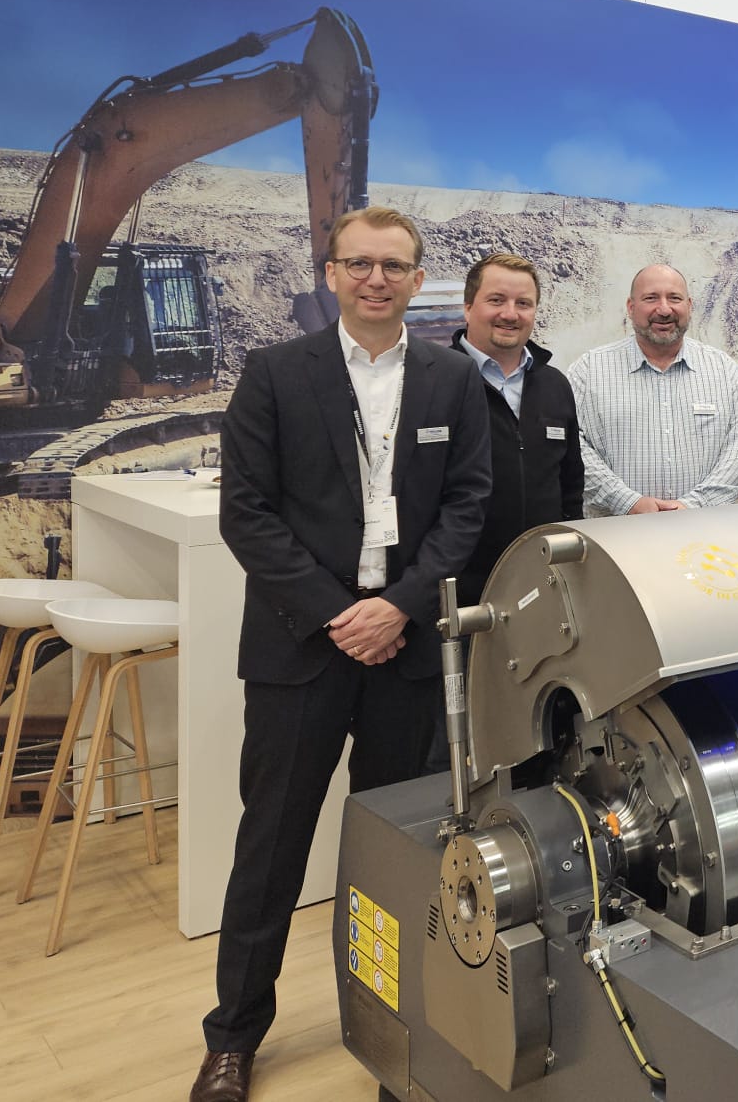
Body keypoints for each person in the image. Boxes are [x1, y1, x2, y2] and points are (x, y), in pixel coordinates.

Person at [193, 207, 490, 1102]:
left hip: (403, 654)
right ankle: (233, 1038)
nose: (375, 280)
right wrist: (339, 614)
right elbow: (246, 514)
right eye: (358, 264)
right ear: (330, 273)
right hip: (301, 653)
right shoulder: (276, 374)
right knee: (272, 849)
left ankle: (390, 1031)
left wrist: (395, 608)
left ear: (417, 279)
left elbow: (466, 509)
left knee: (391, 855)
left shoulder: (449, 378)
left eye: (394, 266)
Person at [566, 264, 738, 513]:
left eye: (674, 298)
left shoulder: (726, 372)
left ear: (689, 306)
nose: (664, 309)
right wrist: (627, 502)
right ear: (631, 308)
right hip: (616, 534)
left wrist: (693, 506)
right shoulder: (588, 371)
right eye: (651, 298)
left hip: (705, 535)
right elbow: (572, 446)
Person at [450, 252, 583, 602]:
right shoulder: (437, 381)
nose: (510, 314)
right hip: (459, 591)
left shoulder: (555, 385)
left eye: (523, 303)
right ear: (467, 307)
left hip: (545, 583)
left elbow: (570, 486)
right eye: (496, 300)